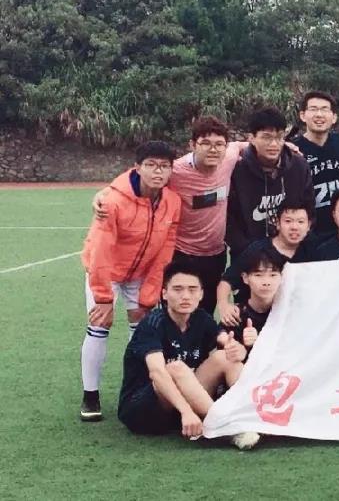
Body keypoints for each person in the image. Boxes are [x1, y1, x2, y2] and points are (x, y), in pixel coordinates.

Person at [92, 117, 245, 315]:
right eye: (205, 143)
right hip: (181, 253)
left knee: (204, 314)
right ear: (192, 145)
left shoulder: (229, 159)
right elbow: (139, 175)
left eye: (219, 144)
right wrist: (105, 192)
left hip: (215, 254)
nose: (213, 149)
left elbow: (244, 145)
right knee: (175, 314)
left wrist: (281, 146)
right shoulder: (176, 171)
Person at [80, 141, 182, 423]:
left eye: (164, 166)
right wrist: (103, 298)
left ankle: (135, 388)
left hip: (141, 274)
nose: (158, 172)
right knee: (99, 325)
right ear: (137, 167)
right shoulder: (112, 201)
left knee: (142, 329)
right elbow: (101, 250)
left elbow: (165, 250)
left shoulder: (172, 201)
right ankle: (90, 395)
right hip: (106, 272)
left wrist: (149, 293)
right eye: (151, 165)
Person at [118, 262, 254, 448]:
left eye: (192, 289)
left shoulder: (201, 318)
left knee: (226, 357)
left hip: (186, 402)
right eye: (178, 289)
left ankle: (251, 418)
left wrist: (238, 349)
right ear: (164, 294)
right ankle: (227, 427)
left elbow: (225, 341)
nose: (185, 296)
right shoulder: (152, 323)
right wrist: (186, 412)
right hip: (144, 409)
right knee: (175, 368)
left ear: (201, 294)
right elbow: (157, 373)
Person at [225, 107, 314, 258]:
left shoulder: (299, 166)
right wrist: (251, 252)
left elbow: (309, 209)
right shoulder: (236, 169)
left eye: (279, 137)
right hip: (248, 255)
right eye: (266, 137)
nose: (274, 144)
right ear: (251, 138)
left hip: (292, 252)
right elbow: (229, 219)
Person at [218, 201, 315, 326]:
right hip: (257, 317)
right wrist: (224, 305)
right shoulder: (257, 250)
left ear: (308, 225)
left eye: (300, 222)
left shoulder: (314, 250)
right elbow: (226, 281)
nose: (294, 227)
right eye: (288, 221)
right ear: (277, 223)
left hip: (295, 317)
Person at [292, 91, 339, 237]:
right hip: (309, 234)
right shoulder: (293, 151)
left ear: (334, 117)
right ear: (302, 115)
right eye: (313, 109)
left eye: (324, 109)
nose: (319, 115)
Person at [223, 248, 284, 353]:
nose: (266, 282)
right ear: (245, 278)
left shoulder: (287, 313)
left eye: (273, 275)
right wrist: (244, 346)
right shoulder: (235, 316)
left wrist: (259, 342)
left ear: (281, 277)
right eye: (258, 275)